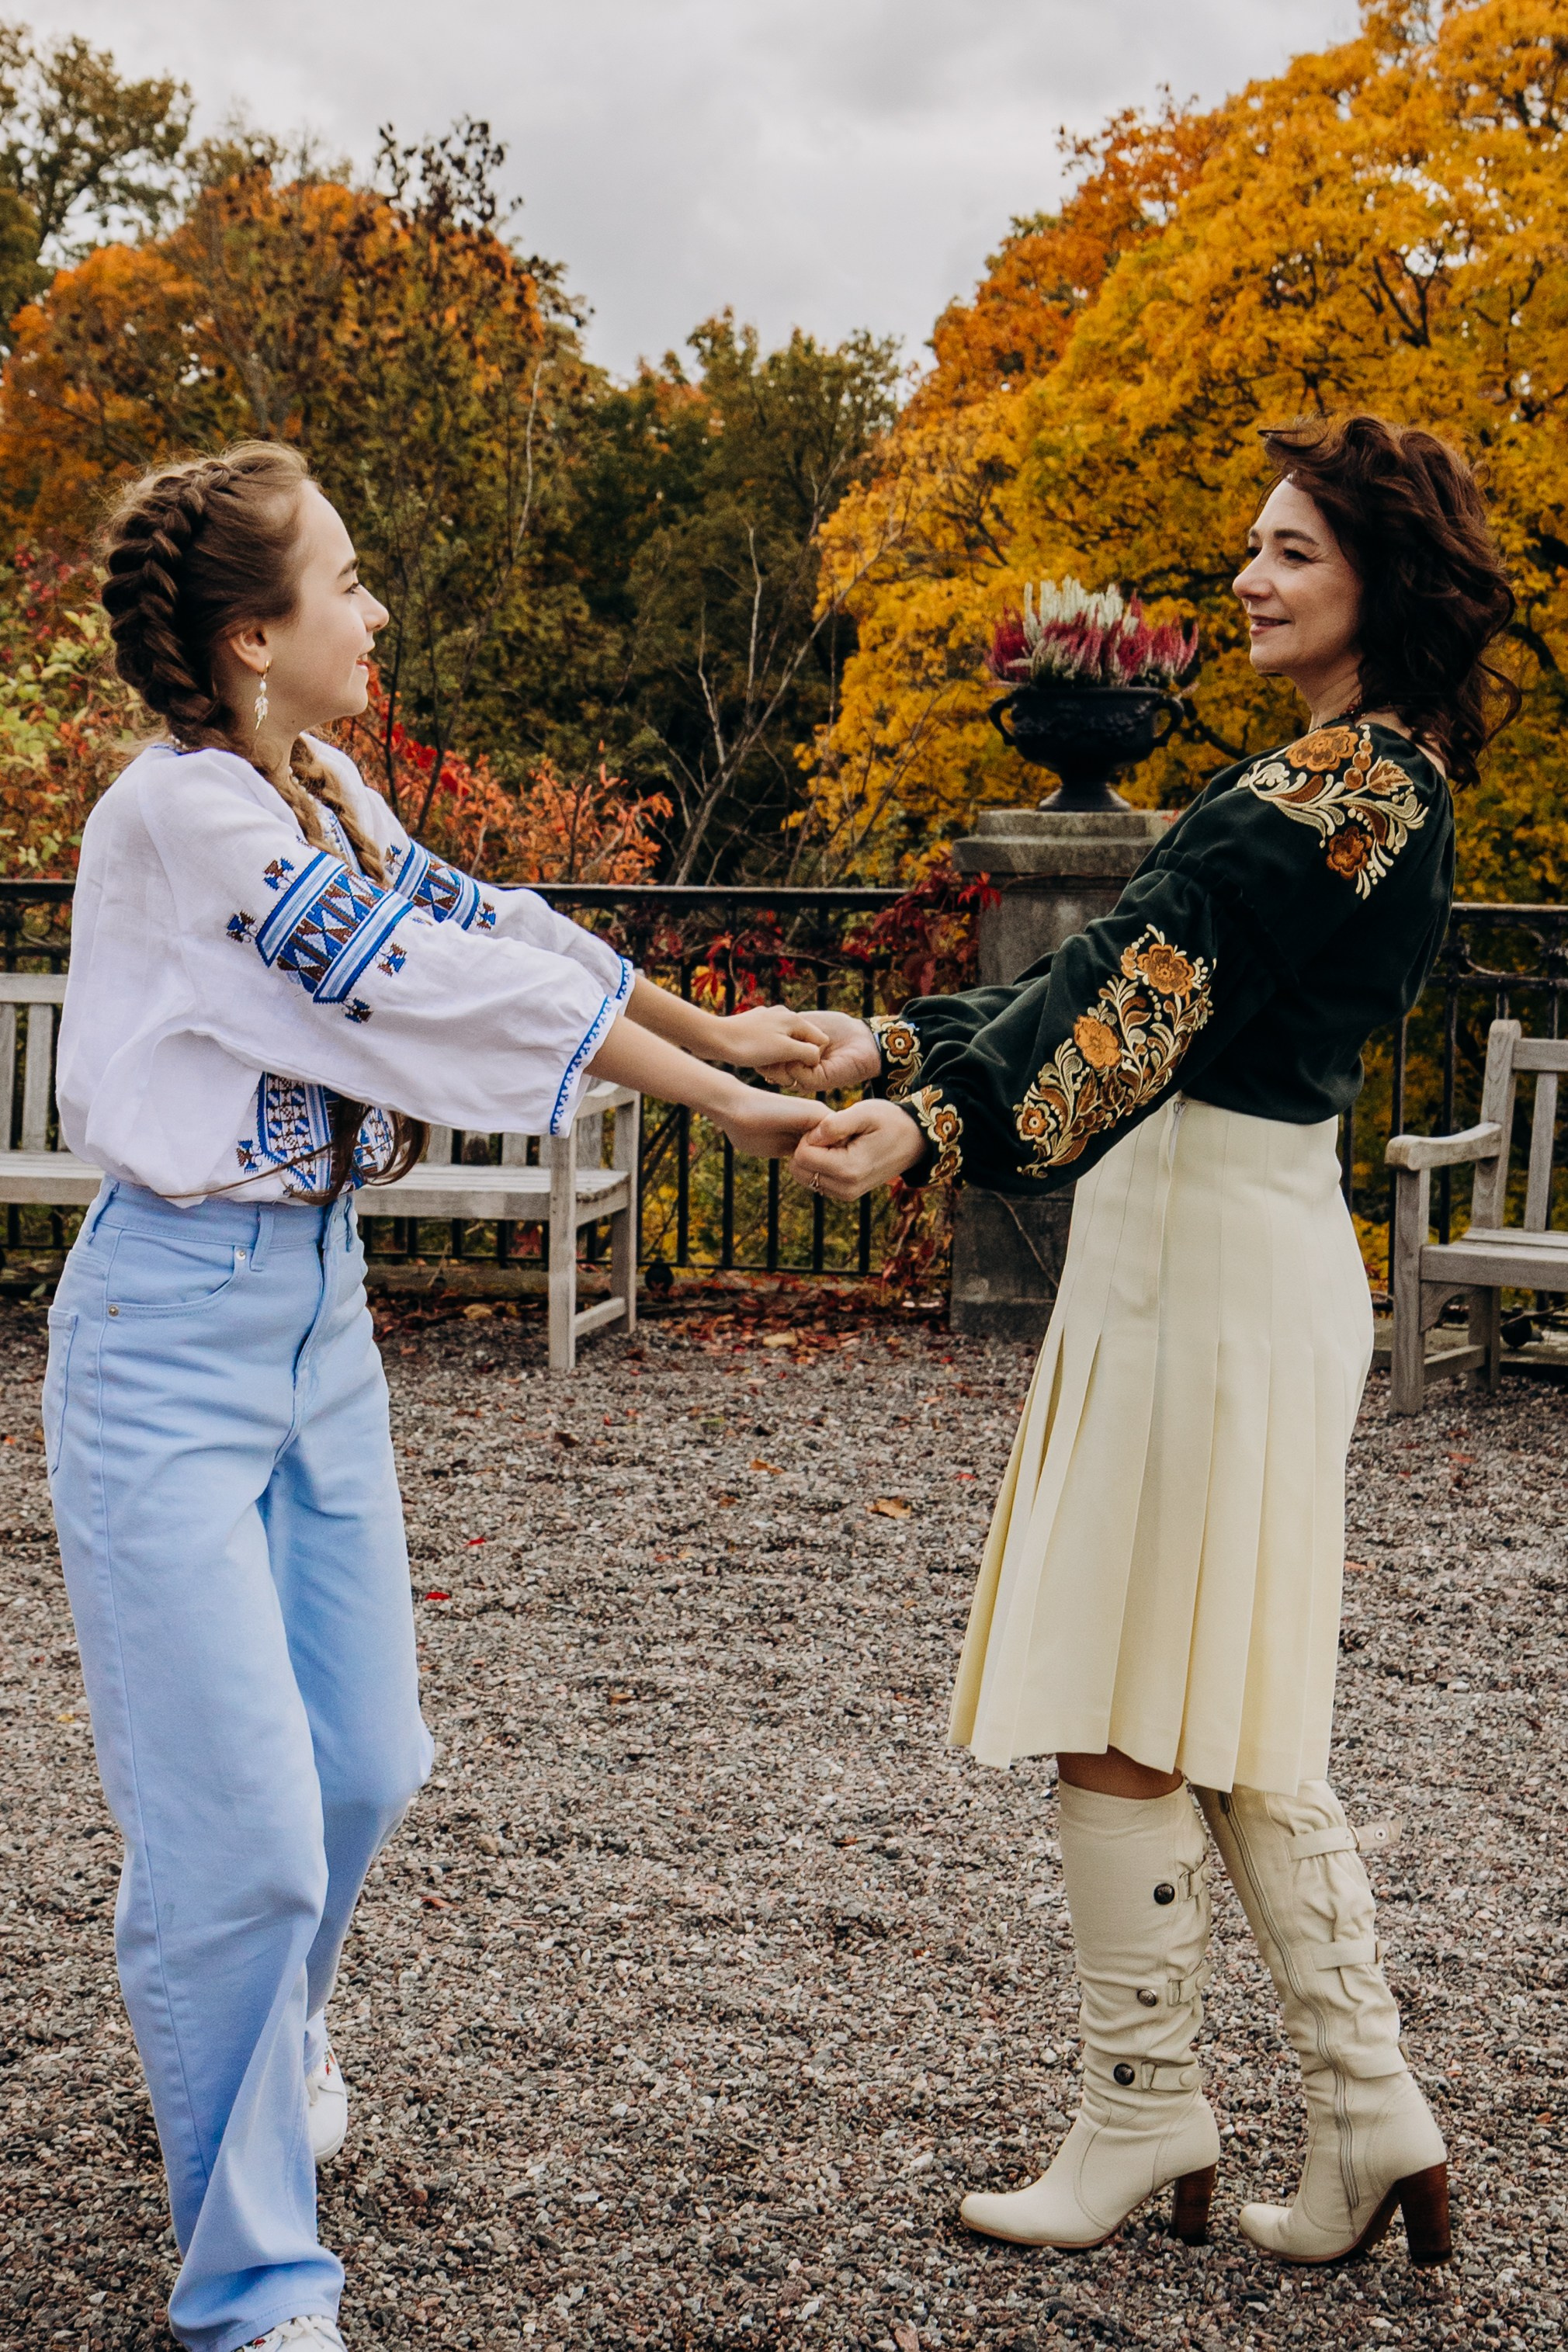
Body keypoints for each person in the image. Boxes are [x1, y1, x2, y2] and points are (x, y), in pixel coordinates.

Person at [45, 441, 825, 2352]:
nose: (374, 608)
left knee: (368, 1764)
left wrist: (711, 1024)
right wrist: (719, 1099)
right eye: (348, 580)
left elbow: (490, 931)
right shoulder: (187, 818)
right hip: (165, 1336)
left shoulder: (317, 785)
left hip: (317, 1321)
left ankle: (267, 2036)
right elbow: (409, 992)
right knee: (236, 1845)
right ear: (254, 636)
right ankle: (255, 2292)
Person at [786, 415, 1519, 2266]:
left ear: (1383, 582)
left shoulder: (1343, 796)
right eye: (1252, 549)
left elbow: (1137, 995)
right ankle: (1367, 2116)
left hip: (1206, 1260)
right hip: (1203, 1244)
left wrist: (933, 1127)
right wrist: (898, 1045)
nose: (1248, 578)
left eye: (1287, 552)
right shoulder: (1348, 781)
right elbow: (1108, 960)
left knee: (1126, 1706)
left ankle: (1141, 2118)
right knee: (1225, 1707)